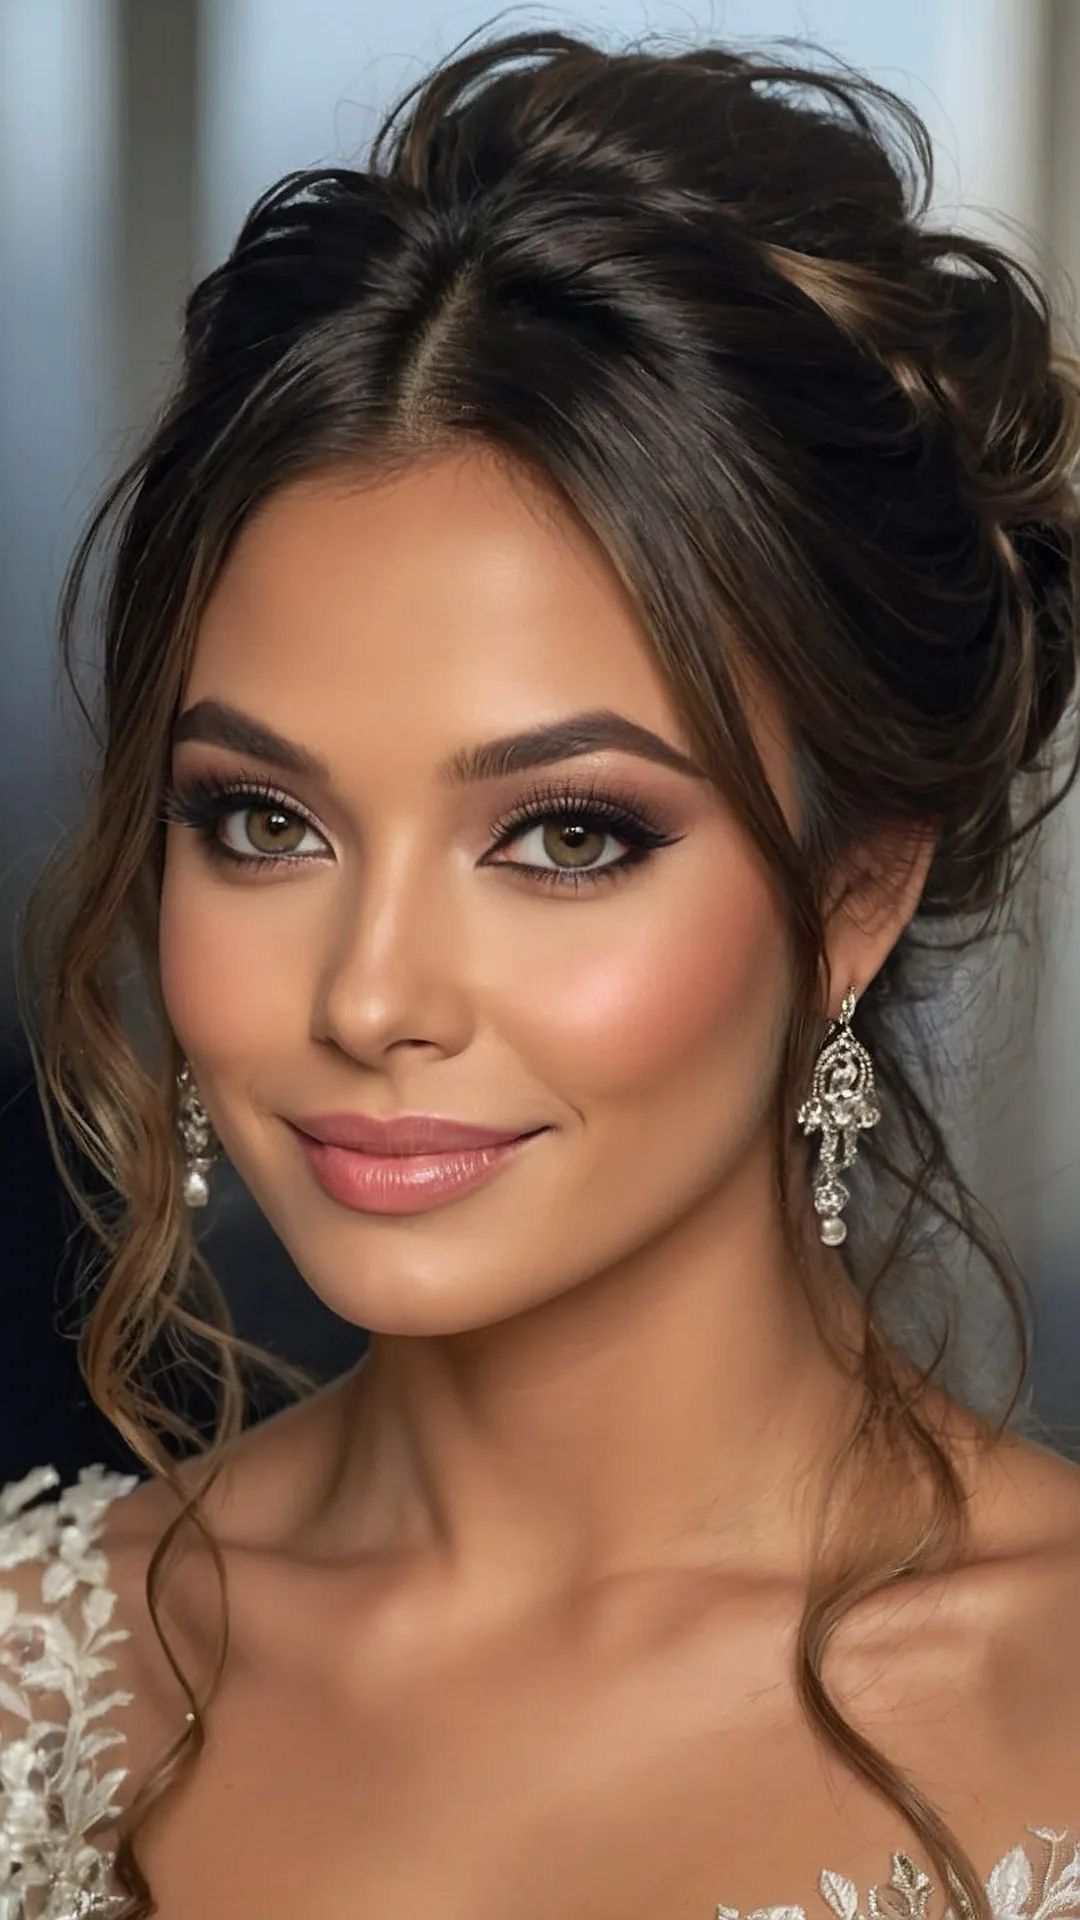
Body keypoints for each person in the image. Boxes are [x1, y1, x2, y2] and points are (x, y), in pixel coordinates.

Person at [2, 21, 1079, 1920]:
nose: (369, 994)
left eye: (568, 833)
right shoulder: (27, 1681)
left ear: (858, 888)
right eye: (262, 822)